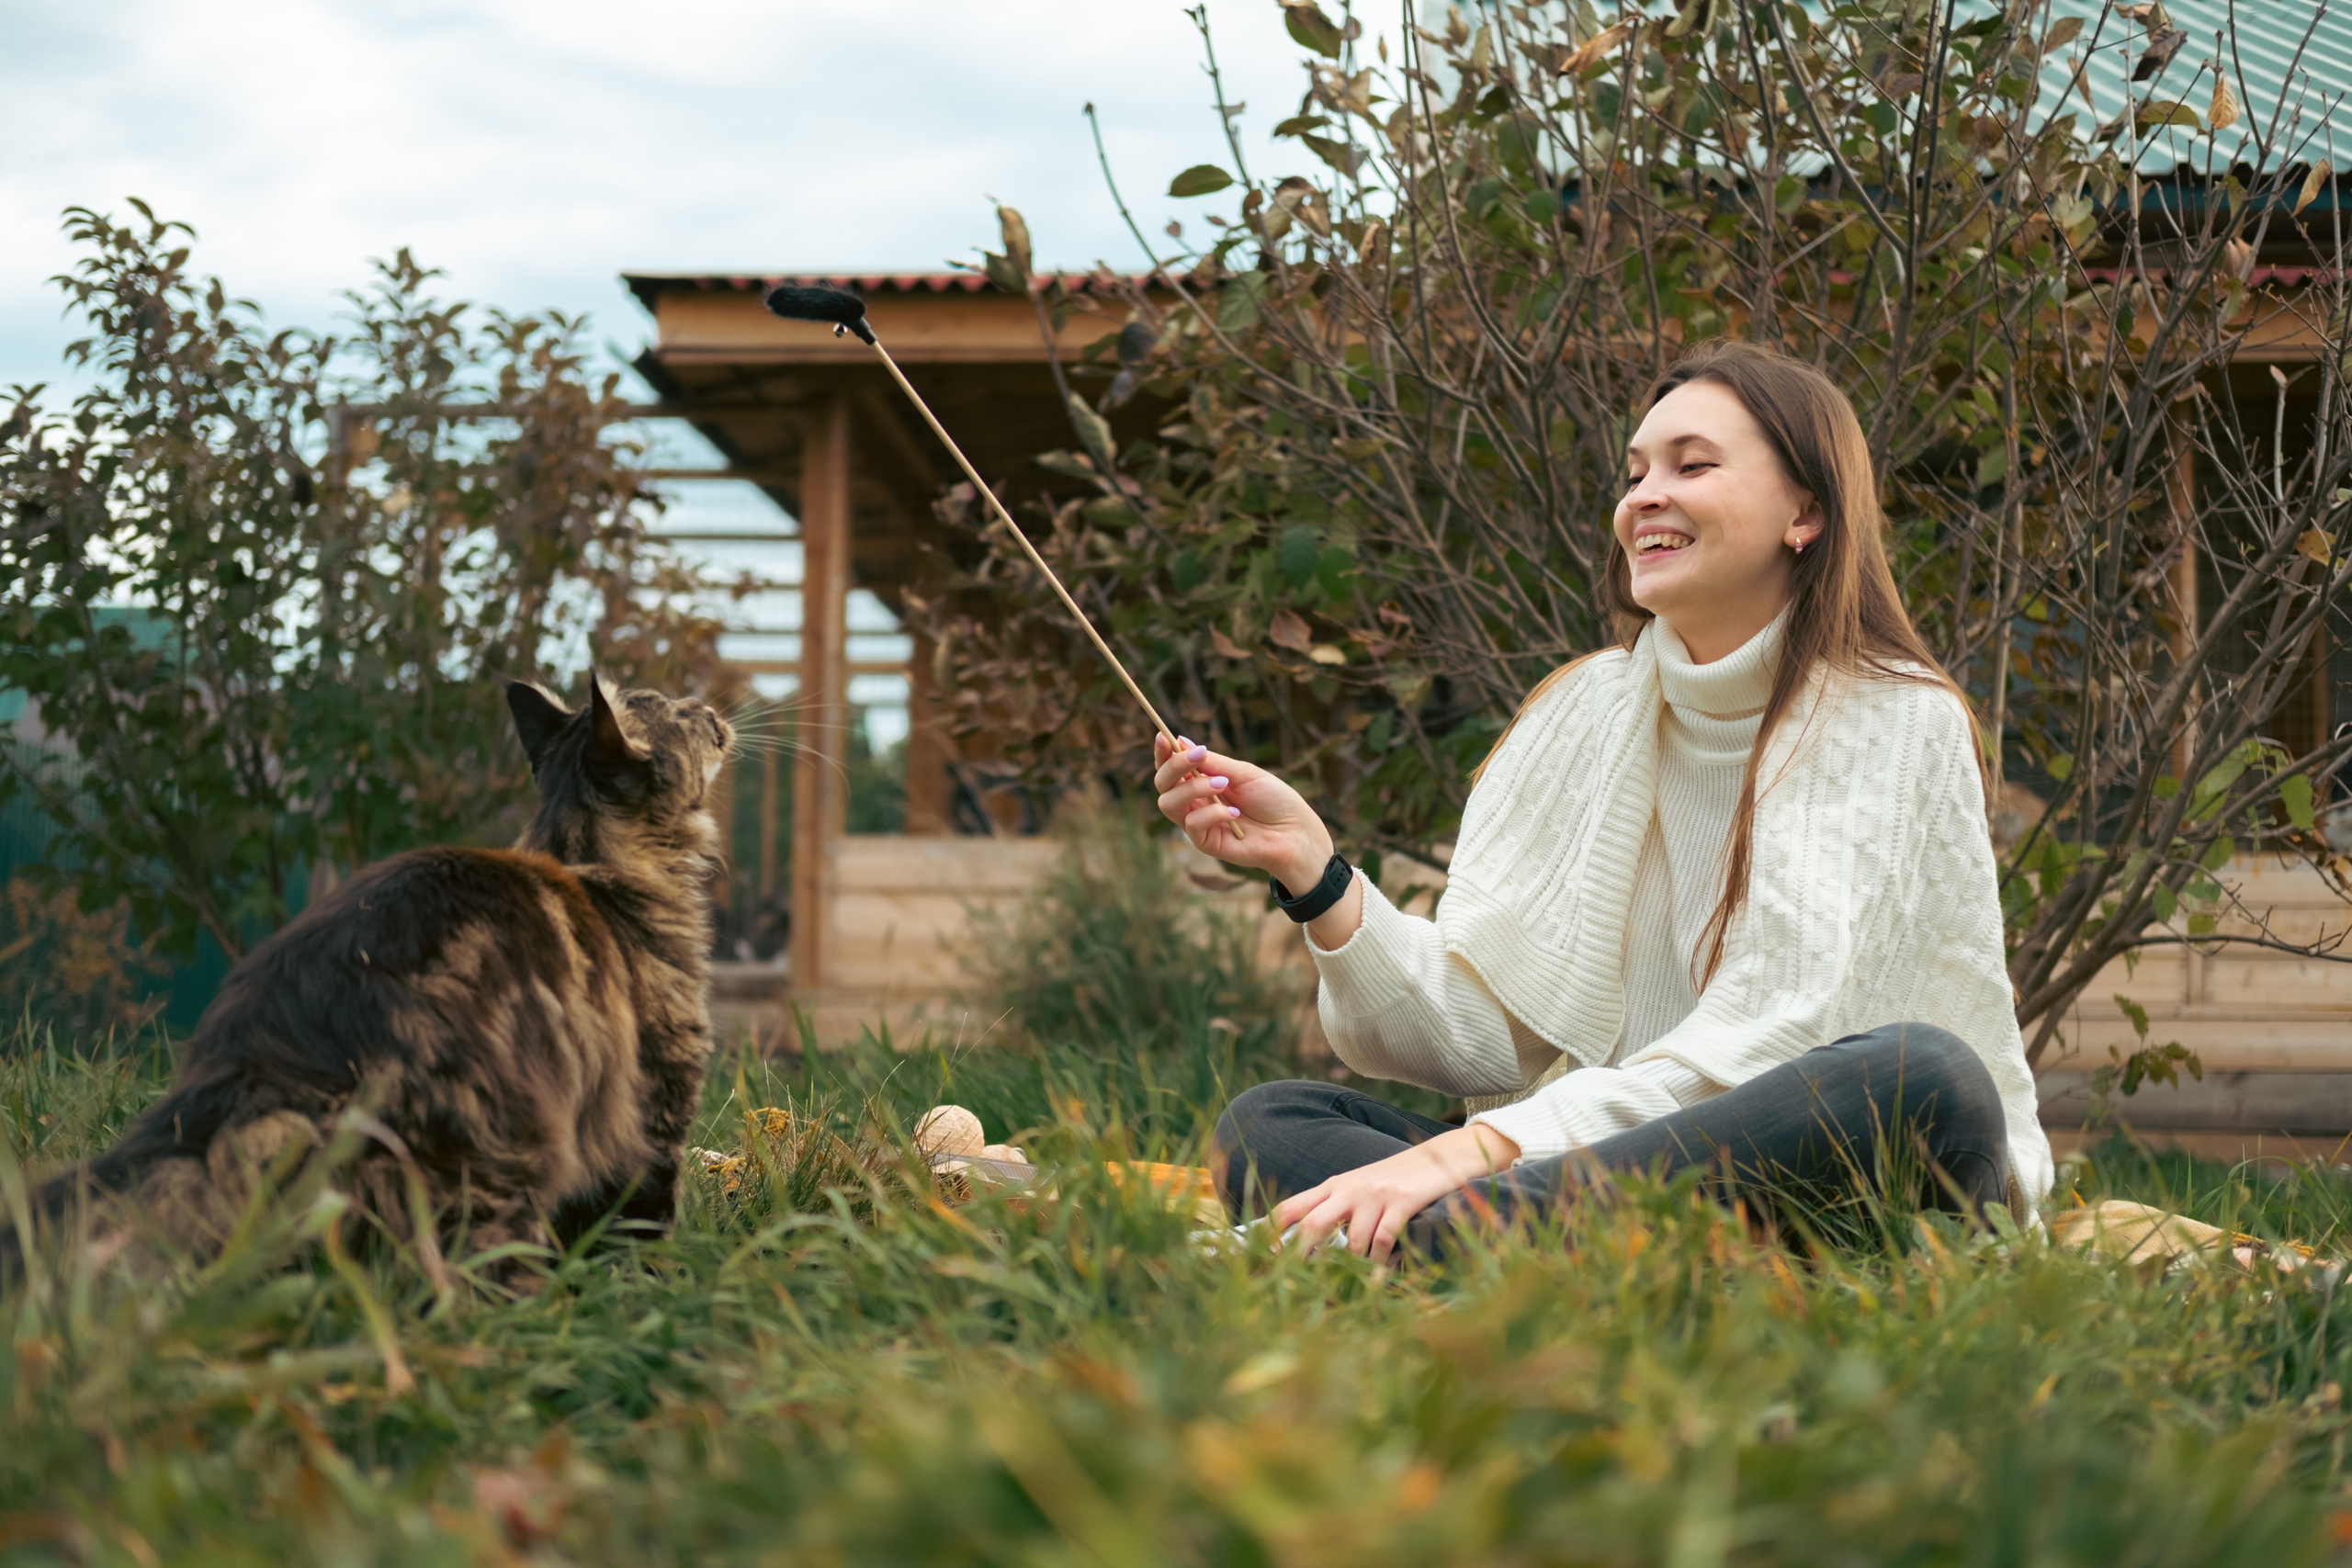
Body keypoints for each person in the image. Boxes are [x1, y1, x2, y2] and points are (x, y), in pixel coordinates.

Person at [1153, 340, 2052, 1263]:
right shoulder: (1581, 708)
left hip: (1843, 1185)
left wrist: (1467, 1154)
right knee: (1274, 1121)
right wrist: (1315, 873)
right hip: (1616, 1174)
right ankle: (1494, 1242)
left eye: (1690, 465)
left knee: (1922, 1073)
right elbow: (1477, 1036)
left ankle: (1413, 1239)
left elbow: (1772, 1040)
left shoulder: (1894, 716)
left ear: (1806, 511)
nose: (1641, 498)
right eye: (1632, 475)